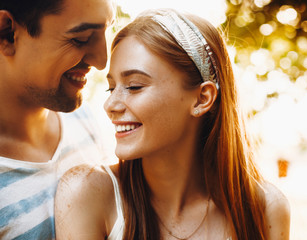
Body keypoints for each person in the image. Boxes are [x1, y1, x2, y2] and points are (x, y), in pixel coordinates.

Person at [55, 8, 290, 240]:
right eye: (111, 87)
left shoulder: (265, 208)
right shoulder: (88, 194)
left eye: (134, 86)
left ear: (202, 98)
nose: (110, 105)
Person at [0, 0, 114, 239]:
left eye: (107, 29)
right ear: (7, 32)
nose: (102, 61)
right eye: (80, 39)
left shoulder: (92, 124)